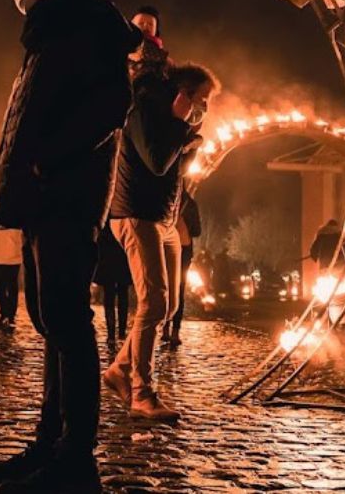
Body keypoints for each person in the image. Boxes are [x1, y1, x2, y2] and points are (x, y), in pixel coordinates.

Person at [0, 0, 141, 494]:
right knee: (50, 319)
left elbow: (109, 105)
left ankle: (76, 460)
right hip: (44, 193)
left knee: (67, 321)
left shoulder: (84, 29)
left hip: (66, 195)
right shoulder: (52, 32)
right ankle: (51, 443)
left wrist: (47, 160)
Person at [103, 62, 218, 423]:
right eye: (202, 99)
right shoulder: (144, 110)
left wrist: (190, 139)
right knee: (153, 300)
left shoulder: (172, 119)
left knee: (167, 306)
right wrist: (182, 128)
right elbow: (156, 161)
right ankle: (142, 393)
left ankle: (119, 371)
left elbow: (177, 170)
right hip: (137, 213)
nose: (205, 108)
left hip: (165, 217)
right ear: (182, 94)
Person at [162, 190, 202, 348]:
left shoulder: (166, 197)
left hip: (165, 247)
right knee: (179, 290)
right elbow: (197, 231)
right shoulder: (190, 204)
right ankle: (175, 332)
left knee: (165, 288)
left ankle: (164, 327)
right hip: (184, 249)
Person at [92, 223, 132, 352]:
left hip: (110, 248)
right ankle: (119, 332)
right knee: (120, 292)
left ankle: (114, 333)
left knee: (113, 293)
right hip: (119, 246)